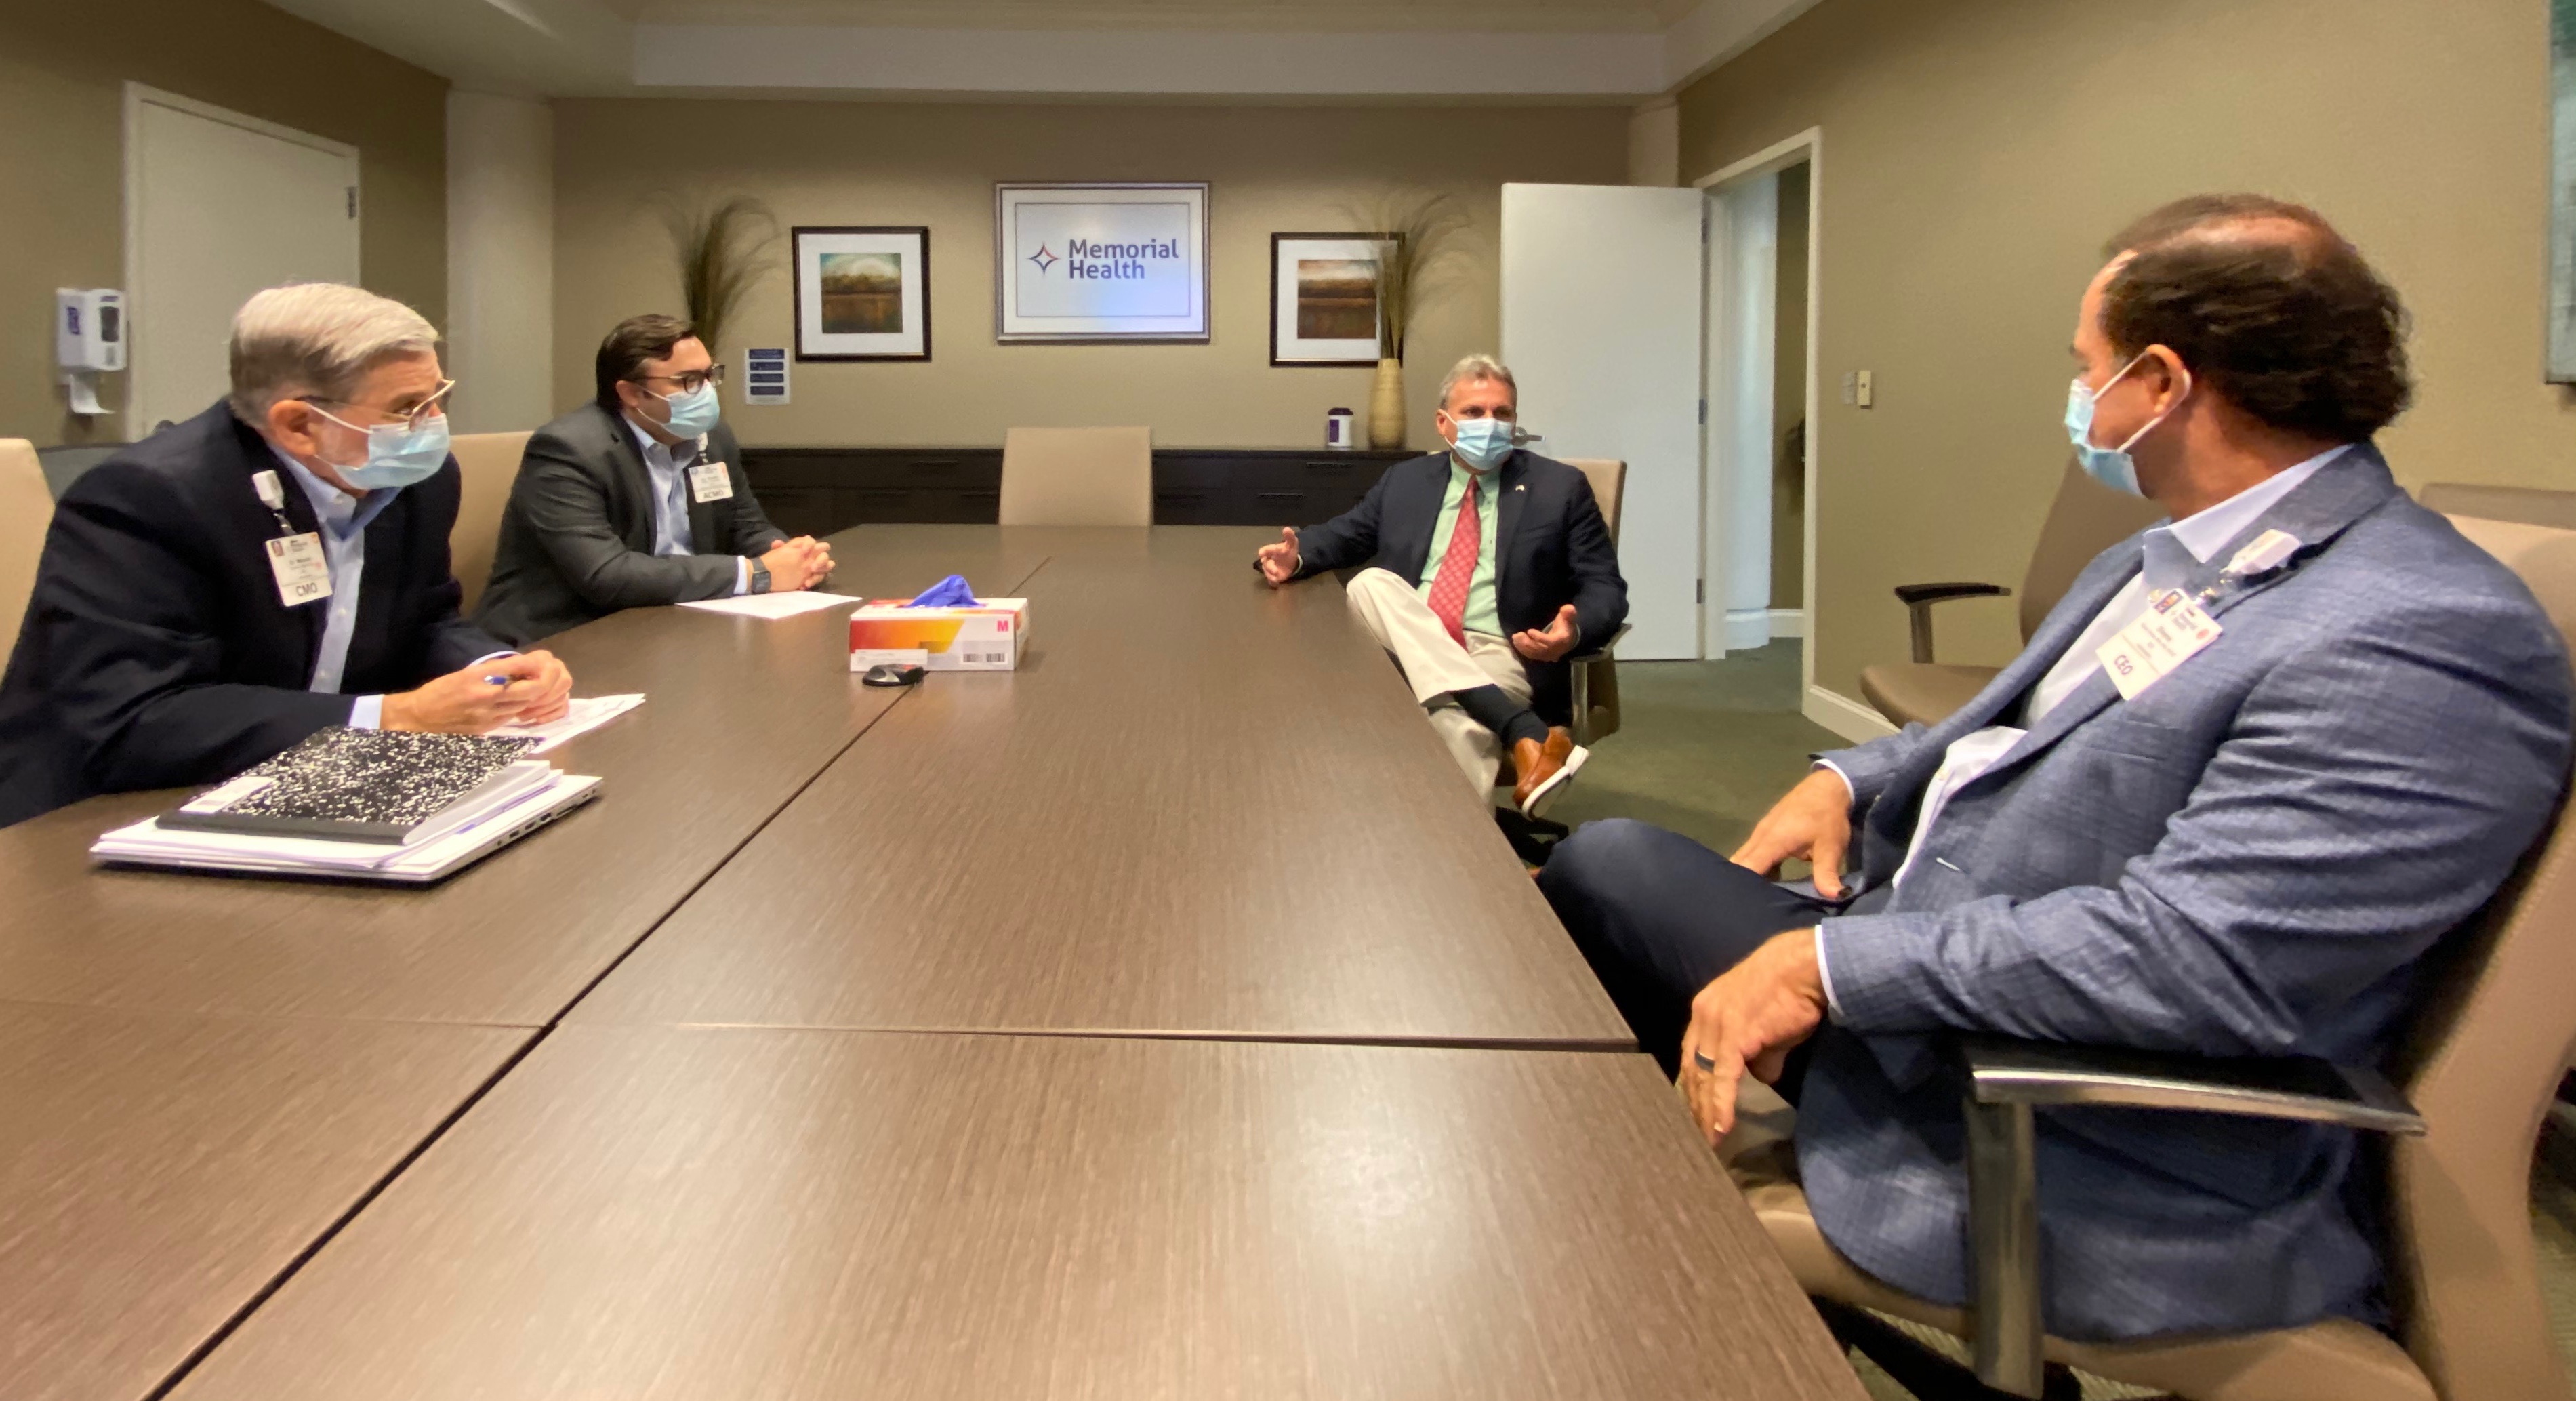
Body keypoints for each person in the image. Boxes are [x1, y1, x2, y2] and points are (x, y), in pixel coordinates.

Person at [1538, 195, 2573, 1342]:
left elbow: (2200, 962)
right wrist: (1851, 777)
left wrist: (1835, 965)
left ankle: (1679, 1280)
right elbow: (2019, 728)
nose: (2079, 397)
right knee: (1605, 866)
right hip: (1944, 953)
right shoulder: (2177, 552)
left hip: (2064, 1114)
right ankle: (1672, 1215)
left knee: (1605, 889)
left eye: (2087, 367)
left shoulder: (2412, 629)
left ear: (2161, 382)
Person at [0, 283, 573, 828]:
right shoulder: (149, 497)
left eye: (437, 400)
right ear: (299, 424)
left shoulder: (419, 482)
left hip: (311, 778)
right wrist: (395, 717)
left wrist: (493, 669)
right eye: (407, 408)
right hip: (100, 814)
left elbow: (425, 619)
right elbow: (131, 720)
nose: (433, 426)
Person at [1255, 354, 1627, 817]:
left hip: (1500, 649)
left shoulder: (1560, 488)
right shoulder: (1406, 480)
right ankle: (1522, 731)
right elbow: (1347, 535)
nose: (1489, 424)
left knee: (1455, 724)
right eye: (1473, 412)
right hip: (1407, 643)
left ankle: (1456, 855)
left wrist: (1572, 631)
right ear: (1442, 422)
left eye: (1502, 413)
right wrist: (1296, 555)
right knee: (1370, 584)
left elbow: (1604, 587)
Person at [472, 314, 834, 645]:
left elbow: (745, 525)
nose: (707, 391)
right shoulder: (568, 451)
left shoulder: (712, 437)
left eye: (709, 376)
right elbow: (607, 575)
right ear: (632, 393)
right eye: (689, 381)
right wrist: (755, 573)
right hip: (566, 635)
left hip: (673, 624)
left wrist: (791, 557)